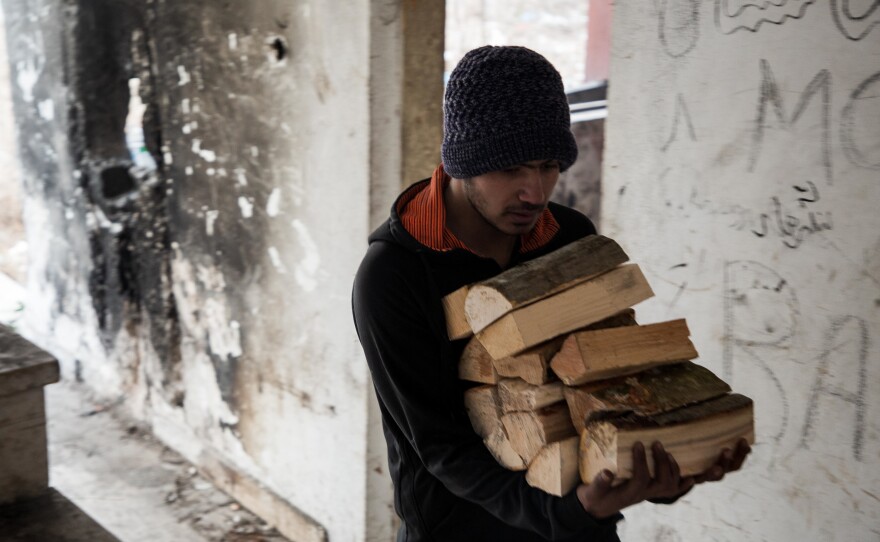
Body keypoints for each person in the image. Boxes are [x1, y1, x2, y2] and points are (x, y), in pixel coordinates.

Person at [352, 45, 749, 542]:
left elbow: (609, 385)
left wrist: (669, 467)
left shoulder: (569, 241)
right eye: (511, 169)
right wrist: (565, 514)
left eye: (547, 165)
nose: (535, 192)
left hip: (581, 523)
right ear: (463, 162)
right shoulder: (393, 276)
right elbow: (440, 448)